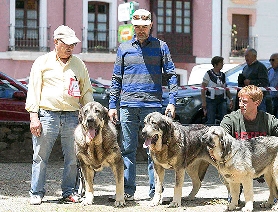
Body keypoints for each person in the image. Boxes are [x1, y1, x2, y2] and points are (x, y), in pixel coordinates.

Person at [108, 9, 178, 200]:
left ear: (150, 26)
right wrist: (112, 105)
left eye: (144, 27)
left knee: (154, 151)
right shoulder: (123, 48)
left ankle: (156, 192)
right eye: (137, 26)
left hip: (153, 106)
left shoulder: (161, 46)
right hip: (128, 105)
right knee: (127, 149)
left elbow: (171, 75)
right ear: (133, 26)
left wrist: (172, 101)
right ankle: (128, 192)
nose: (140, 30)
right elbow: (116, 79)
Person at [25, 25, 94, 205]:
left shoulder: (79, 64)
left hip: (72, 116)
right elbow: (33, 91)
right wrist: (34, 117)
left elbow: (86, 92)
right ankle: (36, 192)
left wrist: (90, 118)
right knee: (40, 157)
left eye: (73, 44)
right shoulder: (42, 62)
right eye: (67, 44)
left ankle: (69, 192)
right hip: (47, 115)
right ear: (56, 42)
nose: (70, 47)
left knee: (73, 158)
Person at [220, 85, 278, 207]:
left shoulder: (269, 120)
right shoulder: (230, 120)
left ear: (257, 103)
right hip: (240, 168)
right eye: (239, 100)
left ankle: (277, 197)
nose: (240, 104)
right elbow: (221, 141)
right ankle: (234, 196)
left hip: (264, 163)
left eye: (245, 102)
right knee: (235, 201)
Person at [201, 56, 233, 125]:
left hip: (222, 99)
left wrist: (230, 98)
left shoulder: (223, 75)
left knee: (224, 119)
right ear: (215, 64)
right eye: (221, 63)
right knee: (211, 119)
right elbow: (203, 87)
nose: (222, 64)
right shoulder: (208, 74)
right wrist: (203, 102)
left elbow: (225, 87)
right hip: (211, 100)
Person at [268, 53, 278, 121]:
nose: (271, 62)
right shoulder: (270, 71)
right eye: (270, 60)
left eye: (273, 60)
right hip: (272, 99)